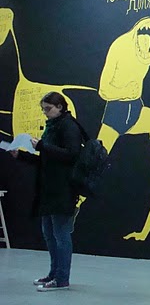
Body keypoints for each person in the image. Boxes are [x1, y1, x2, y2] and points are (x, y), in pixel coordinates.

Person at [10, 91, 82, 291]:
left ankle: (62, 278)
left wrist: (42, 146)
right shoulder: (52, 126)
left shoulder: (69, 126)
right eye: (43, 109)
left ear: (60, 107)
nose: (45, 113)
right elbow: (46, 160)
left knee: (60, 234)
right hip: (49, 188)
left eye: (48, 109)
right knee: (49, 233)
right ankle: (54, 274)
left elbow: (72, 154)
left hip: (63, 188)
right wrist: (21, 156)